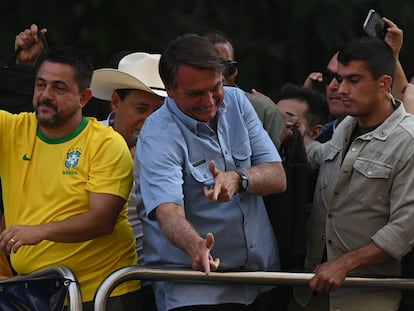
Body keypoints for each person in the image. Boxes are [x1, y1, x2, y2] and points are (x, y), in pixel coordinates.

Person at [135, 34, 287, 311]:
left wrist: (238, 180)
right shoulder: (157, 134)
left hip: (260, 278)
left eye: (215, 88)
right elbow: (167, 212)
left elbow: (277, 176)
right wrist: (195, 246)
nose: (209, 101)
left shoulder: (238, 103)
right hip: (196, 287)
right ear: (169, 90)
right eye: (195, 93)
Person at [0, 46, 140, 311]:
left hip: (101, 295)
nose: (45, 95)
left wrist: (39, 232)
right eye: (40, 85)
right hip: (36, 294)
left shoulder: (105, 143)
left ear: (84, 97)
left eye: (59, 88)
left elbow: (101, 220)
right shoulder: (12, 129)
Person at [291, 36, 414, 311]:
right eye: (339, 78)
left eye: (353, 80)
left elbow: (406, 228)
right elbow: (318, 157)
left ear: (384, 84)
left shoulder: (408, 140)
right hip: (310, 293)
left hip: (366, 299)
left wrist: (345, 264)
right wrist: (281, 124)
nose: (340, 89)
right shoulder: (344, 126)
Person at [91, 51, 166, 311]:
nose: (150, 120)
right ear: (115, 102)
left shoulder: (173, 145)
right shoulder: (88, 140)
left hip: (158, 279)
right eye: (141, 109)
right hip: (100, 282)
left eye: (159, 111)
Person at [202, 31, 285, 149]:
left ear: (235, 70)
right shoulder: (186, 109)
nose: (220, 76)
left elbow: (280, 162)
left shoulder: (262, 109)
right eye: (211, 69)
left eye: (228, 67)